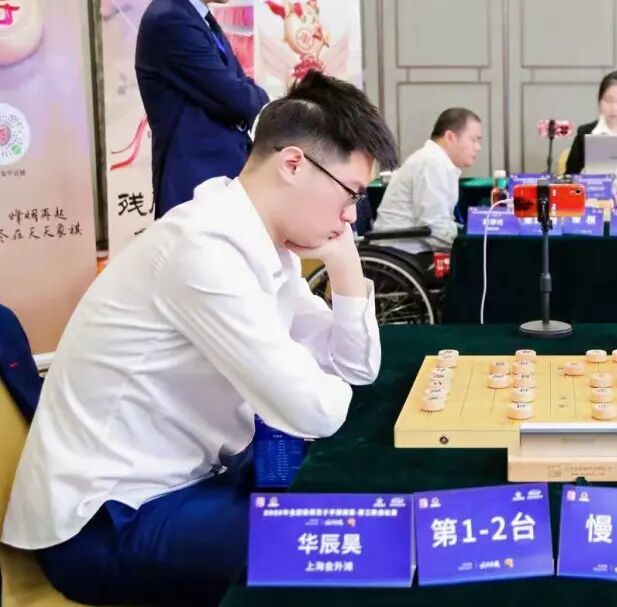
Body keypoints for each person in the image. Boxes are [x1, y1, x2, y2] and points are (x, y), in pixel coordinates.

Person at [1, 71, 398, 606]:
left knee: (354, 509)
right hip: (107, 522)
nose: (351, 215)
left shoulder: (261, 243)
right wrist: (306, 378)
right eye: (350, 193)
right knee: (342, 544)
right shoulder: (203, 250)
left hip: (188, 485)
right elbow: (314, 410)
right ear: (293, 164)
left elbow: (354, 369)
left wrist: (345, 263)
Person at [136, 0, 270, 218]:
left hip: (221, 180)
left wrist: (253, 96)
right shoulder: (170, 18)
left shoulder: (197, 16)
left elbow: (240, 83)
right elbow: (236, 98)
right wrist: (258, 98)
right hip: (195, 183)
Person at [373, 108, 483, 259]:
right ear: (450, 137)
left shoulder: (437, 161)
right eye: (473, 140)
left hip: (412, 248)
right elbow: (434, 227)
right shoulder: (432, 162)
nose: (478, 147)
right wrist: (469, 245)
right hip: (402, 253)